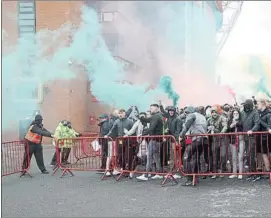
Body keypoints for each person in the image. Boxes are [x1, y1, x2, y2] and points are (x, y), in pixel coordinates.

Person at [179, 106, 208, 186]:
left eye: (186, 112)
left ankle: (189, 179)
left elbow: (186, 126)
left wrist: (181, 135)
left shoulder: (192, 115)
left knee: (186, 158)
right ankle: (195, 178)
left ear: (189, 112)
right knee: (196, 158)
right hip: (204, 139)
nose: (185, 114)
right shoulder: (202, 116)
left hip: (196, 138)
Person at [137, 103, 164, 181]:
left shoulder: (156, 116)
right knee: (156, 156)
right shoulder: (157, 116)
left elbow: (151, 128)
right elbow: (148, 120)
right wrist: (141, 118)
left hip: (155, 139)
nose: (150, 109)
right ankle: (159, 173)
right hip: (158, 140)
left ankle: (146, 174)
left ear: (156, 109)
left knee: (149, 156)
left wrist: (142, 134)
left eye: (151, 108)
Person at [106, 109, 133, 176]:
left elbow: (133, 131)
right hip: (120, 140)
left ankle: (129, 170)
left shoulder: (130, 121)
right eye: (119, 113)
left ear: (125, 114)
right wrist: (107, 135)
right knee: (120, 155)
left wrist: (130, 136)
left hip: (128, 140)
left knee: (128, 155)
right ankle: (122, 168)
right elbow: (112, 130)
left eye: (122, 113)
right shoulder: (117, 121)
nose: (120, 114)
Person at [160, 105, 182, 178]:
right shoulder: (169, 117)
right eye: (170, 111)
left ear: (174, 111)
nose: (171, 112)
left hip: (175, 140)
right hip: (171, 139)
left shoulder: (178, 119)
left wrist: (175, 140)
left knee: (176, 156)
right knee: (172, 156)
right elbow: (163, 112)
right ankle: (171, 172)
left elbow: (178, 131)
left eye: (172, 111)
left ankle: (177, 172)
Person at [241, 99, 260, 181]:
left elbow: (257, 123)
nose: (245, 105)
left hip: (252, 137)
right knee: (248, 155)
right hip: (246, 137)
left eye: (246, 104)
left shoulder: (255, 112)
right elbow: (242, 122)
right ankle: (251, 172)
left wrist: (252, 130)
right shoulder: (244, 113)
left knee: (251, 155)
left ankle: (255, 173)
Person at [207, 106, 228, 179]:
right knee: (214, 156)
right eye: (212, 112)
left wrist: (221, 132)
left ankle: (222, 171)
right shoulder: (209, 119)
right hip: (214, 140)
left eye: (215, 112)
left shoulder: (222, 118)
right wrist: (208, 129)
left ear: (217, 112)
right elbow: (206, 127)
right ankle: (215, 172)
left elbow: (225, 126)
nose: (214, 114)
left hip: (222, 139)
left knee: (222, 155)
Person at [228, 109, 244, 179]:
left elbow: (243, 127)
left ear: (239, 114)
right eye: (234, 113)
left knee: (240, 157)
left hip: (240, 140)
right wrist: (232, 124)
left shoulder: (242, 120)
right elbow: (228, 129)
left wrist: (236, 123)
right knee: (234, 158)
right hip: (232, 140)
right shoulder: (230, 121)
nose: (235, 114)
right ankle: (234, 173)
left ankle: (240, 173)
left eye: (237, 113)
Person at [256, 99, 271, 177]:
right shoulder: (258, 113)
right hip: (260, 136)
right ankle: (268, 170)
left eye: (258, 103)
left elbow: (269, 125)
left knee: (268, 153)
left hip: (267, 136)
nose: (257, 105)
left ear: (263, 104)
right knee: (263, 153)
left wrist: (260, 121)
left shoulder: (269, 113)